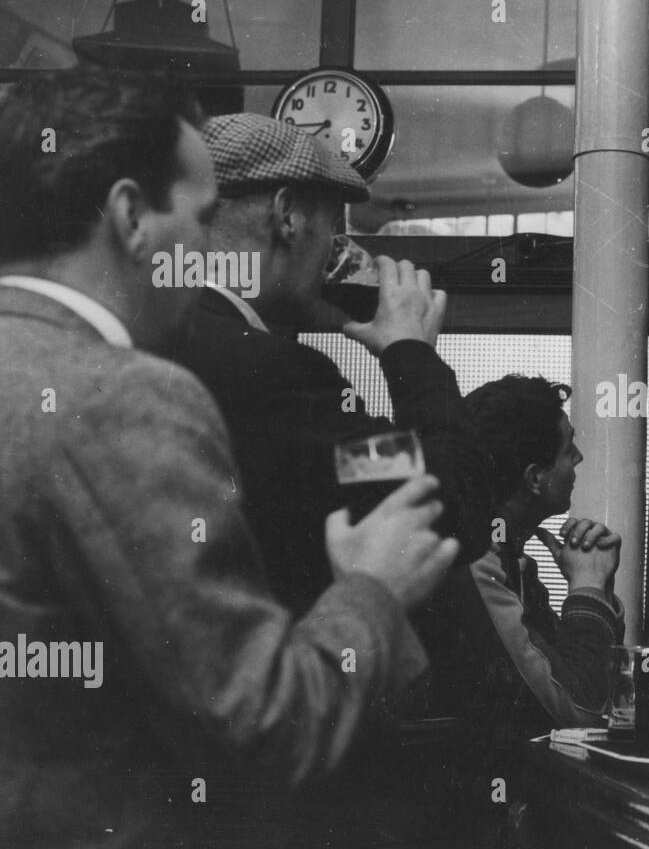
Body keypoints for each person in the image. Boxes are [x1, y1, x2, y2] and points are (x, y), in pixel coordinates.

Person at [0, 69, 460, 849]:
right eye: (201, 219)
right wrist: (374, 589)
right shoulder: (130, 395)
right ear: (133, 217)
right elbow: (263, 724)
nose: (211, 253)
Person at [165, 113, 490, 617]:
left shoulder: (147, 331)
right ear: (288, 215)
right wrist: (411, 353)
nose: (332, 256)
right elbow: (452, 502)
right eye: (331, 232)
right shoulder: (275, 376)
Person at [413, 376, 623, 749]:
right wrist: (588, 591)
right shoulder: (475, 562)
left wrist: (598, 591)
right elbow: (579, 709)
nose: (579, 458)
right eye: (568, 447)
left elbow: (568, 672)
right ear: (535, 477)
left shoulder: (505, 553)